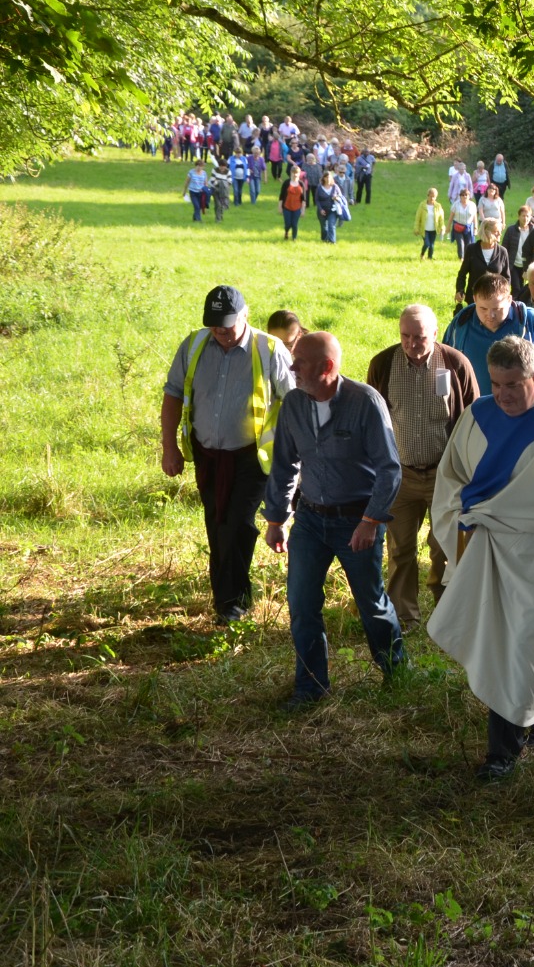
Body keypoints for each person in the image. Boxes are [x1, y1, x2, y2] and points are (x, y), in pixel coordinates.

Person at [430, 336, 534, 779]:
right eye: (495, 384)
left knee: (525, 647)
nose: (502, 395)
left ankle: (501, 754)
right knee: (504, 643)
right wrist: (460, 525)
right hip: (489, 547)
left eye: (513, 385)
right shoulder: (478, 414)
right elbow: (451, 481)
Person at [263, 332, 407, 710]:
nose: (291, 369)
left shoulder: (364, 403)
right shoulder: (293, 403)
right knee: (301, 603)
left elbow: (389, 470)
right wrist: (277, 518)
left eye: (301, 364)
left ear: (327, 367)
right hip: (310, 519)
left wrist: (371, 520)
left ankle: (397, 673)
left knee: (371, 605)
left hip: (357, 519)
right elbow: (284, 464)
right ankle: (311, 687)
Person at [160, 286, 293, 625]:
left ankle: (230, 604)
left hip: (253, 457)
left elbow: (295, 404)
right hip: (208, 457)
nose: (221, 333)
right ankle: (231, 596)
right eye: (215, 326)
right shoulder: (194, 345)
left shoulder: (270, 350)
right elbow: (173, 394)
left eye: (228, 326)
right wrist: (169, 446)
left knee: (238, 525)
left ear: (245, 316)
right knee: (217, 522)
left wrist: (298, 458)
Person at [366, 305, 479, 631]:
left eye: (419, 337)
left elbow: (474, 420)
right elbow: (373, 419)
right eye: (405, 336)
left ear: (434, 332)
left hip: (445, 475)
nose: (412, 343)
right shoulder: (383, 364)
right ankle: (405, 617)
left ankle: (448, 614)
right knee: (400, 549)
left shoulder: (455, 364)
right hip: (399, 474)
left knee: (445, 547)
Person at [444, 273, 534, 393]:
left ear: (509, 300)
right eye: (483, 309)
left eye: (497, 309)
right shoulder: (462, 322)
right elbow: (443, 362)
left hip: (524, 408)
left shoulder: (531, 321)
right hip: (475, 407)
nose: (490, 315)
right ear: (475, 299)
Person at [455, 218, 514, 304]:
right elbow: (462, 273)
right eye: (496, 231)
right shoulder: (471, 249)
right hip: (474, 298)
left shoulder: (502, 251)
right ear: (486, 231)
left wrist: (504, 295)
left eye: (500, 231)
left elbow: (507, 278)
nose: (500, 234)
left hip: (495, 300)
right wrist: (459, 290)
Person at [312, 171, 346, 244]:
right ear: (323, 178)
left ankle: (332, 242)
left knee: (331, 225)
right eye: (326, 177)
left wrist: (336, 198)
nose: (328, 179)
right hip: (322, 210)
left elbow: (341, 197)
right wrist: (320, 209)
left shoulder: (335, 187)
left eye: (329, 177)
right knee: (324, 227)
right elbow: (317, 200)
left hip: (332, 210)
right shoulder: (319, 187)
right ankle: (324, 240)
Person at [414, 188, 445, 260]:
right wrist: (416, 228)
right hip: (424, 229)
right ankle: (422, 255)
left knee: (431, 245)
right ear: (427, 196)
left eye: (434, 196)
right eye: (430, 196)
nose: (432, 198)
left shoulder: (438, 206)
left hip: (433, 229)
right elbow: (417, 218)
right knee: (427, 244)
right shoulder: (422, 205)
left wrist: (442, 227)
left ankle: (429, 258)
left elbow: (441, 218)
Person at [278, 166, 306, 240]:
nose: (295, 174)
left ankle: (294, 238)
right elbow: (281, 196)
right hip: (287, 207)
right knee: (288, 224)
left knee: (294, 224)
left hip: (297, 207)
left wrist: (303, 210)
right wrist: (280, 207)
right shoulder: (286, 183)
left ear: (299, 174)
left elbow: (303, 199)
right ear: (291, 173)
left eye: (296, 173)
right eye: (293, 173)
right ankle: (286, 232)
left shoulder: (301, 184)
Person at [450, 188, 477, 260]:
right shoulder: (456, 204)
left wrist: (475, 228)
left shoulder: (472, 205)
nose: (464, 196)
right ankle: (461, 257)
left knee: (468, 244)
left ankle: (466, 258)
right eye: (463, 195)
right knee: (460, 243)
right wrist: (448, 226)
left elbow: (475, 217)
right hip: (457, 227)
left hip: (468, 228)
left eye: (466, 195)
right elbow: (451, 216)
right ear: (460, 196)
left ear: (469, 196)